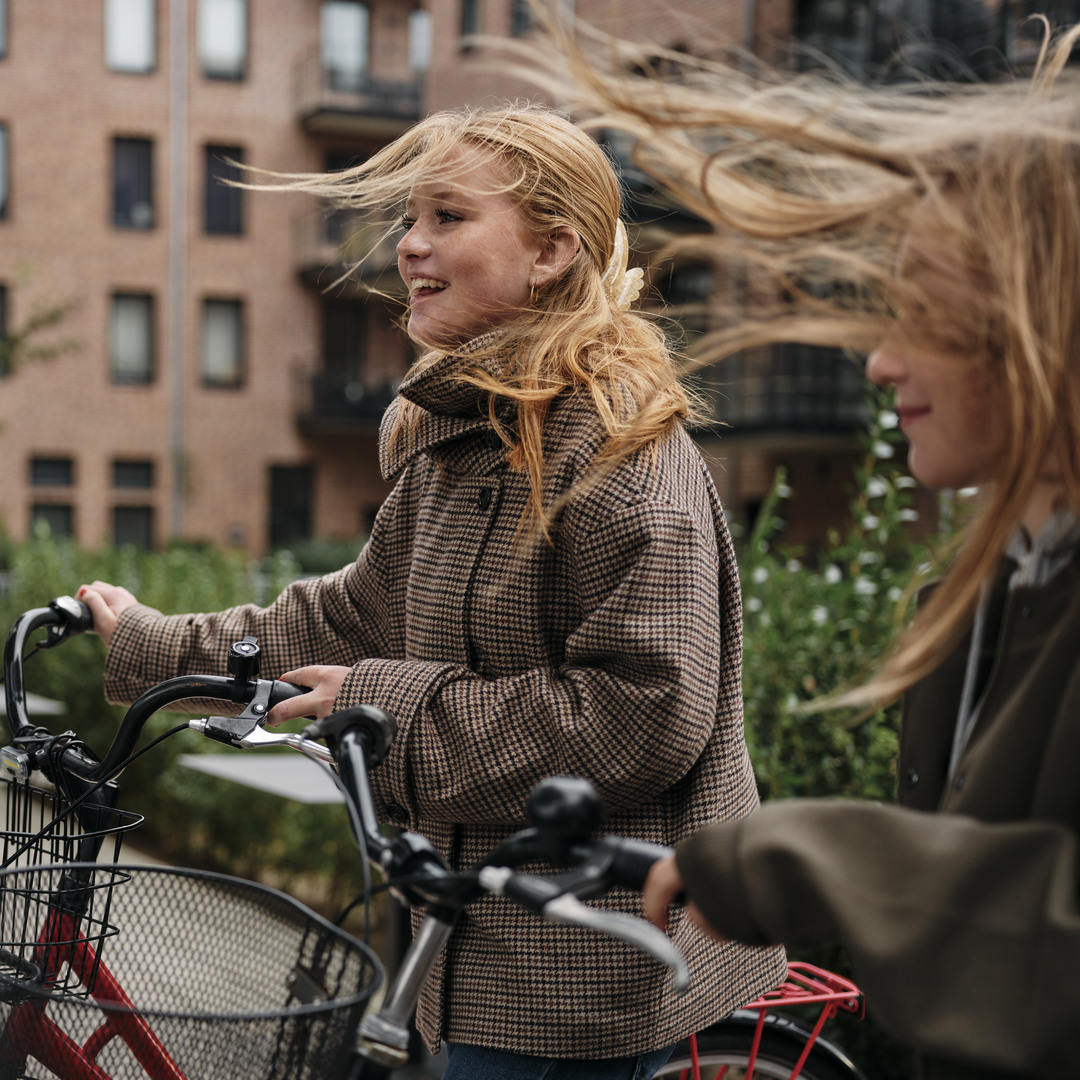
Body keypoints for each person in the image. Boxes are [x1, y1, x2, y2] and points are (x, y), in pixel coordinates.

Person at [79, 104, 787, 1080]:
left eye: (448, 217)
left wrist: (385, 706)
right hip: (467, 935)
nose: (409, 245)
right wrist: (149, 645)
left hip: (579, 967)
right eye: (411, 218)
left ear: (550, 252)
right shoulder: (460, 440)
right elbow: (346, 615)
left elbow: (647, 713)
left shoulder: (622, 457)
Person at [532, 12, 1080, 1080]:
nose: (878, 362)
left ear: (1040, 322)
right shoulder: (1007, 586)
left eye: (920, 308)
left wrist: (805, 858)